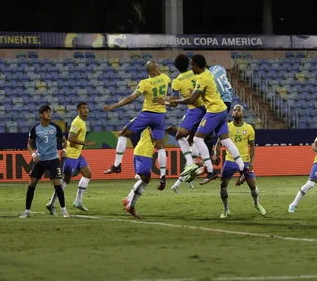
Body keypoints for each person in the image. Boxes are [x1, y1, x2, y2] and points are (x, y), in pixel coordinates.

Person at [161, 54, 248, 185]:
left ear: (196, 65)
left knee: (197, 138)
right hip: (222, 108)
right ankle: (243, 170)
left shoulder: (202, 78)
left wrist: (168, 101)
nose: (191, 68)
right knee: (226, 140)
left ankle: (211, 171)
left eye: (192, 65)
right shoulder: (208, 73)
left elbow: (191, 99)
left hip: (214, 111)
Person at [103, 60, 170, 191]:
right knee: (160, 147)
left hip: (147, 115)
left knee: (123, 133)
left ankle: (117, 164)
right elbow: (160, 73)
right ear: (156, 69)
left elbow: (131, 98)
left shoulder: (145, 83)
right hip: (161, 116)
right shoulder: (165, 78)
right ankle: (162, 176)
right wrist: (157, 70)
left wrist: (113, 106)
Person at [211, 105, 266, 218]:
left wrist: (251, 162)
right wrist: (216, 155)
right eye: (234, 110)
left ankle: (257, 204)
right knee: (223, 185)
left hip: (244, 161)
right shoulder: (226, 127)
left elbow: (252, 146)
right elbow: (218, 143)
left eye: (238, 110)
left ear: (243, 114)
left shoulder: (249, 128)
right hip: (230, 161)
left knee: (253, 185)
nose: (236, 112)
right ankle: (226, 209)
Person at [46, 102, 96, 214]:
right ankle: (51, 203)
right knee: (66, 180)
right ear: (78, 110)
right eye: (83, 108)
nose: (86, 110)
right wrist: (86, 143)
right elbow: (70, 138)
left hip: (78, 154)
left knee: (87, 174)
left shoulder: (82, 122)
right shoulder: (77, 122)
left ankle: (78, 201)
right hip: (71, 155)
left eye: (87, 108)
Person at [20, 105, 67, 218]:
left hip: (53, 159)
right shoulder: (35, 128)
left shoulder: (55, 127)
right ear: (41, 115)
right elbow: (29, 144)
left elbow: (65, 141)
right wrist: (33, 154)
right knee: (32, 183)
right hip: (40, 160)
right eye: (47, 112)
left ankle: (64, 210)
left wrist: (64, 149)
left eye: (50, 112)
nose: (49, 114)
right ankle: (27, 211)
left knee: (58, 184)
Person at [167, 54, 206, 189]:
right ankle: (190, 175)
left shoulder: (176, 81)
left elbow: (174, 103)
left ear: (176, 67)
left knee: (180, 136)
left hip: (195, 109)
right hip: (208, 106)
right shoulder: (196, 73)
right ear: (189, 65)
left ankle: (192, 164)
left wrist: (164, 101)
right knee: (194, 139)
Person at [121, 128, 156, 219]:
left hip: (144, 152)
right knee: (145, 178)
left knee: (146, 179)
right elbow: (153, 134)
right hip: (143, 153)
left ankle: (128, 200)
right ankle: (130, 205)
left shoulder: (151, 120)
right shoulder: (153, 121)